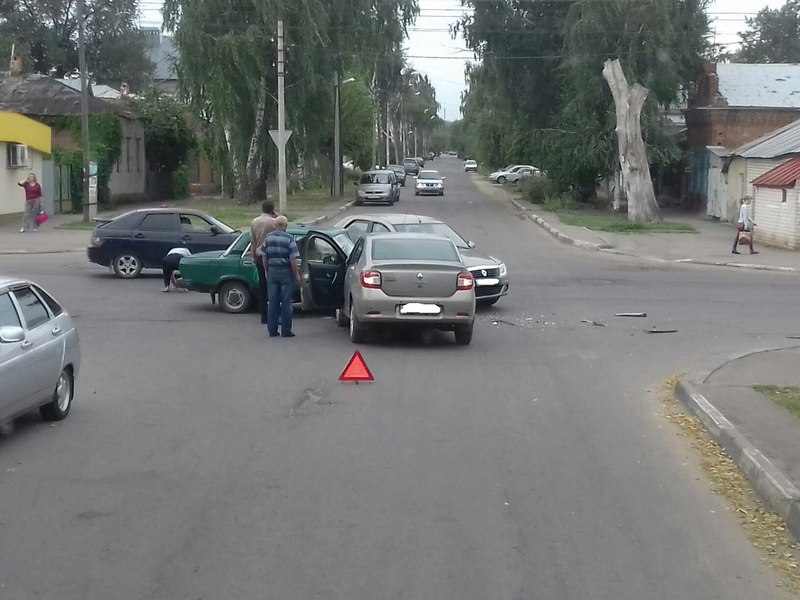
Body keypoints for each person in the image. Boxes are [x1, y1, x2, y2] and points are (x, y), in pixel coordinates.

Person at [261, 215, 301, 338]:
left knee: (272, 302)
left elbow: (264, 256)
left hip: (272, 270)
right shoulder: (289, 239)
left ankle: (272, 330)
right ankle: (286, 330)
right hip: (286, 272)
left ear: (275, 225)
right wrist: (296, 274)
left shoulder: (268, 238)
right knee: (286, 302)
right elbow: (293, 259)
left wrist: (266, 270)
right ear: (286, 226)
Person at [250, 200, 278, 324]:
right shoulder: (274, 222)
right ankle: (274, 314)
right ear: (272, 209)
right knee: (273, 285)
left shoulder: (255, 222)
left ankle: (264, 315)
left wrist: (253, 257)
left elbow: (253, 241)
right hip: (272, 255)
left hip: (259, 255)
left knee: (262, 285)